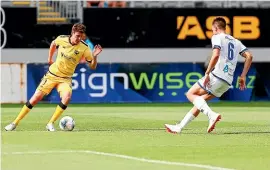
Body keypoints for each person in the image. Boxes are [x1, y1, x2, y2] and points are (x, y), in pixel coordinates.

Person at [5, 23, 103, 131]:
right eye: (77, 36)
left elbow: (93, 67)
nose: (79, 38)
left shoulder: (84, 48)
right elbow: (53, 44)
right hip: (52, 75)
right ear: (72, 33)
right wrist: (49, 58)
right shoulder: (61, 39)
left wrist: (94, 56)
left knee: (67, 97)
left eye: (81, 36)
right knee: (35, 98)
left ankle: (50, 123)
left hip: (65, 79)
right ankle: (14, 123)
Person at [165, 17, 253, 134]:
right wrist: (243, 76)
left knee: (191, 94)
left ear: (216, 28)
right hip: (227, 82)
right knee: (200, 102)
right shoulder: (236, 42)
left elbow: (216, 55)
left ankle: (211, 115)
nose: (212, 32)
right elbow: (249, 56)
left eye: (212, 30)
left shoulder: (217, 37)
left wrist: (207, 73)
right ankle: (179, 127)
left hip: (217, 76)